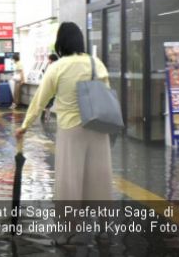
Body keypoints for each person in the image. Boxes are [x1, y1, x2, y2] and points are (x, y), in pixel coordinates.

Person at [15, 22, 113, 201]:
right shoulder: (96, 63)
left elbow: (39, 101)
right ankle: (104, 221)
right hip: (98, 128)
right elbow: (106, 95)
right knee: (100, 180)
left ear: (61, 44)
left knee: (70, 180)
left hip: (71, 130)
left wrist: (24, 126)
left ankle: (70, 223)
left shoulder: (57, 67)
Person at [41, 54, 59, 122]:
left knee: (48, 102)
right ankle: (47, 116)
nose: (48, 61)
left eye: (49, 59)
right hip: (52, 87)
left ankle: (47, 117)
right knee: (48, 103)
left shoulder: (53, 66)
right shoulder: (55, 66)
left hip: (50, 87)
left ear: (51, 59)